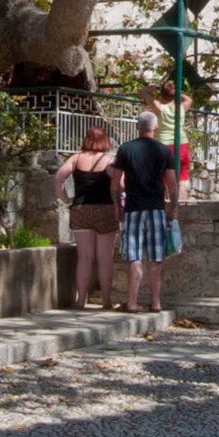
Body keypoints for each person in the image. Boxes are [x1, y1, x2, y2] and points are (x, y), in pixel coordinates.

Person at [110, 110, 180, 313]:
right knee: (156, 257)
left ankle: (131, 302)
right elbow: (173, 184)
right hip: (156, 208)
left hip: (133, 208)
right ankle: (156, 302)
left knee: (134, 256)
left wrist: (117, 206)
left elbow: (115, 184)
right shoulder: (164, 151)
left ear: (138, 127)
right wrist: (173, 208)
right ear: (156, 128)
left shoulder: (125, 149)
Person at [53, 123, 120, 309]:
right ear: (105, 141)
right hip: (105, 209)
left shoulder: (76, 158)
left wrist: (65, 198)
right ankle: (106, 300)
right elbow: (120, 183)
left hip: (81, 209)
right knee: (105, 258)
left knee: (84, 257)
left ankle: (80, 300)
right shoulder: (110, 160)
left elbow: (59, 177)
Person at [146, 80, 193, 194]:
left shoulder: (159, 108)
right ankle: (181, 206)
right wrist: (176, 92)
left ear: (162, 94)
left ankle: (165, 206)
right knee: (182, 178)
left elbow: (143, 94)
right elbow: (189, 99)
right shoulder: (181, 108)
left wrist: (150, 89)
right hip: (181, 143)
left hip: (163, 144)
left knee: (163, 177)